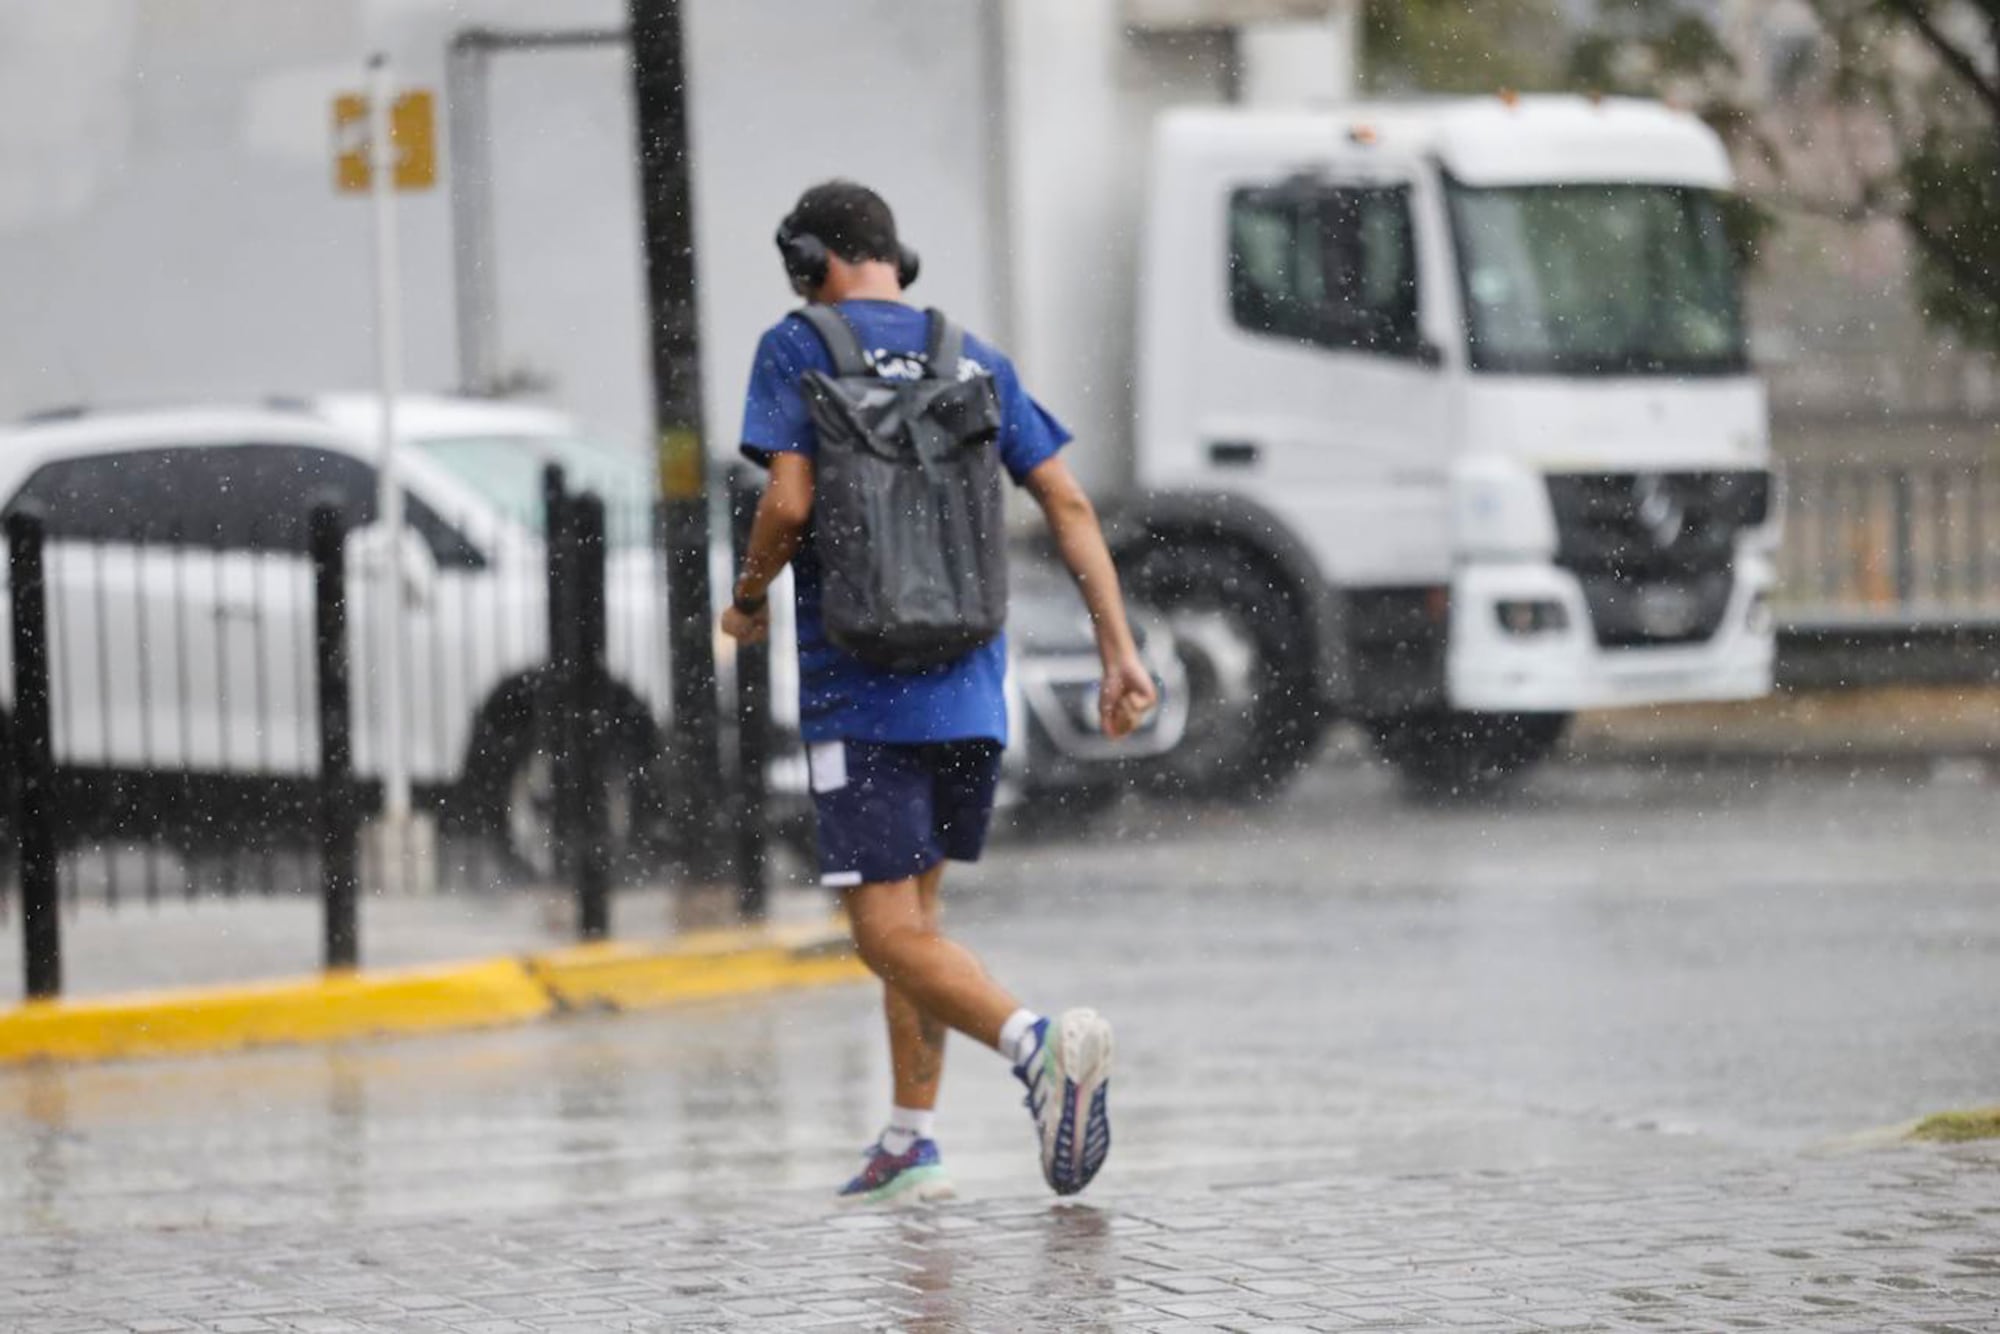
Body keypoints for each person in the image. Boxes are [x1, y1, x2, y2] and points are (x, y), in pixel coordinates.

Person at [721, 180, 1159, 1205]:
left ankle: (1034, 1044)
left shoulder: (797, 345)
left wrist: (747, 596)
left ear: (806, 257)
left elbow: (785, 499)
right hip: (967, 678)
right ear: (894, 256)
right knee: (917, 917)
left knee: (882, 931)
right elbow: (1066, 496)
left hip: (861, 680)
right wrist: (1118, 648)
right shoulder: (972, 357)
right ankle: (910, 1136)